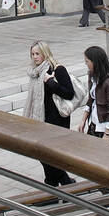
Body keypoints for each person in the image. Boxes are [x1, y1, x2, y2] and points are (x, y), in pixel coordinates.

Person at [23, 41, 76, 189]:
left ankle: (54, 185)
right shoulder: (35, 72)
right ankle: (64, 184)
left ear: (45, 53)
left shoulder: (57, 69)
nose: (35, 57)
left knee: (49, 156)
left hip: (56, 121)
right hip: (40, 119)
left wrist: (51, 82)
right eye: (32, 54)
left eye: (37, 54)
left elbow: (69, 93)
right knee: (44, 155)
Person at [79, 45, 109, 216]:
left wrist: (107, 135)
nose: (86, 64)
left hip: (106, 130)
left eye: (87, 61)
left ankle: (108, 207)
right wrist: (83, 119)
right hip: (94, 126)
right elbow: (91, 99)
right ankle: (105, 199)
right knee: (95, 167)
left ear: (96, 61)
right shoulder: (92, 76)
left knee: (105, 170)